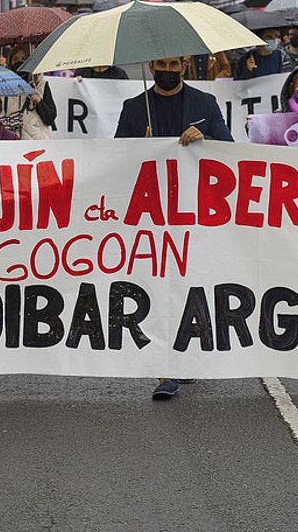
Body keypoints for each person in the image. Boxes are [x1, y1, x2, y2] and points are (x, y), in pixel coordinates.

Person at [115, 56, 232, 401]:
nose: (168, 69)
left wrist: (205, 137)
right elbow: (116, 155)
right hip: (152, 212)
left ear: (184, 67)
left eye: (174, 64)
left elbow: (229, 148)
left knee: (190, 282)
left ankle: (186, 355)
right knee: (160, 283)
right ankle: (165, 370)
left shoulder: (205, 103)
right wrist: (140, 144)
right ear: (152, 68)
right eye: (161, 64)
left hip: (193, 210)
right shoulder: (135, 108)